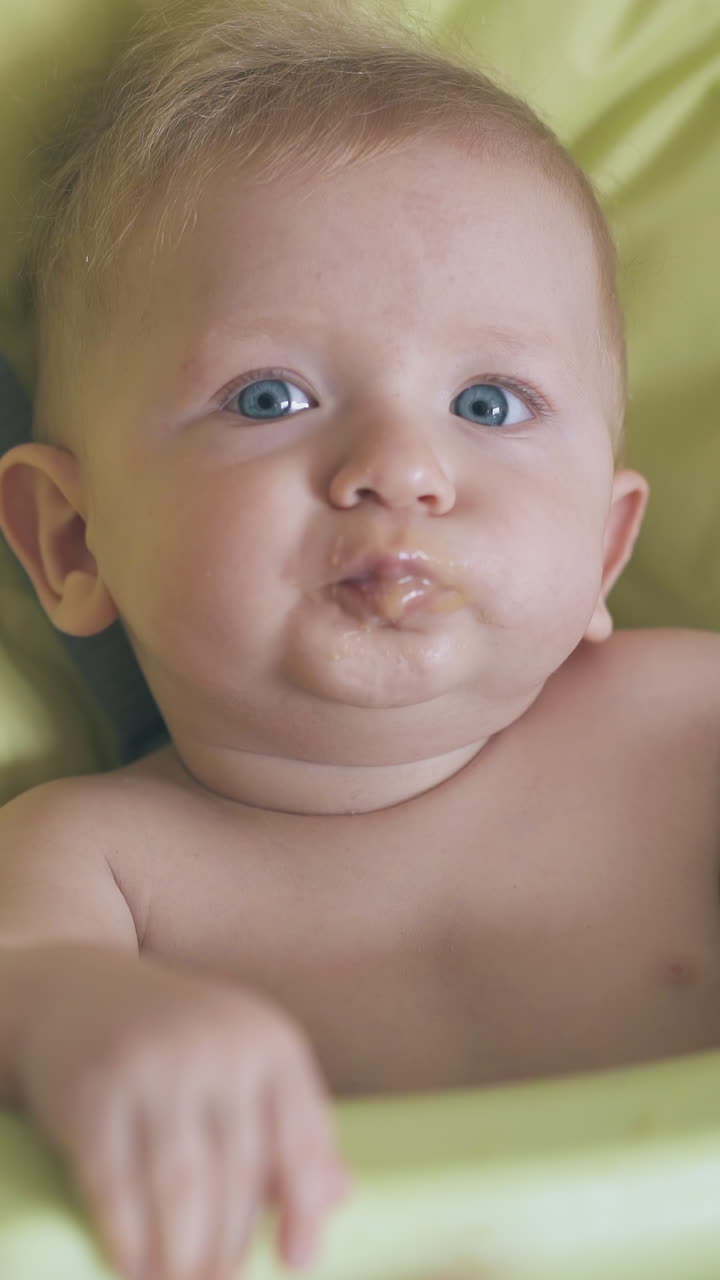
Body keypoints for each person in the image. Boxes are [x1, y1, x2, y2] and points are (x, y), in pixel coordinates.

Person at [1, 0, 719, 1277]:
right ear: (71, 541)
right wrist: (78, 1011)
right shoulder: (95, 863)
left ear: (606, 548)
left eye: (488, 402)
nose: (401, 466)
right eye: (270, 395)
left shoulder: (688, 729)